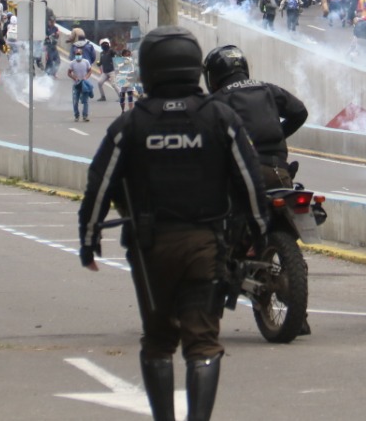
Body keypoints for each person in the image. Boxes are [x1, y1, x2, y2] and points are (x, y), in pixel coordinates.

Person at [77, 26, 269, 421]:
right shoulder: (220, 117)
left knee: (159, 339)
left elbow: (99, 183)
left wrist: (89, 236)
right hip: (206, 244)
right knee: (202, 341)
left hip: (150, 247)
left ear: (147, 70)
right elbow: (250, 180)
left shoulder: (130, 126)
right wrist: (259, 229)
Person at [203, 45, 309, 190]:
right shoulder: (267, 88)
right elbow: (300, 112)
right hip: (281, 174)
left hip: (244, 177)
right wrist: (278, 134)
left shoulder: (217, 101)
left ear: (212, 76)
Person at [68, 51, 93, 122]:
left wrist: (86, 77)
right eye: (77, 54)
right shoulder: (72, 63)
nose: (78, 56)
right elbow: (69, 73)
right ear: (75, 55)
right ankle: (76, 115)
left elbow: (90, 71)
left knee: (85, 101)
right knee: (75, 101)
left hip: (84, 83)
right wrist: (74, 78)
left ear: (82, 55)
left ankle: (85, 116)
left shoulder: (86, 62)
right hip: (76, 84)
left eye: (79, 54)